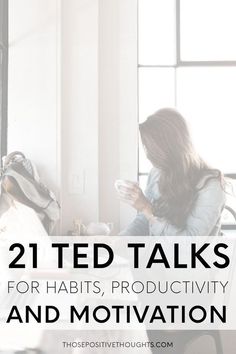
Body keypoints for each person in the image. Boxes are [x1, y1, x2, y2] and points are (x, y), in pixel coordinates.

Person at [119, 108, 225, 236]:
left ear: (168, 147)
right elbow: (144, 221)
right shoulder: (157, 173)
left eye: (151, 149)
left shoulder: (211, 186)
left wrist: (146, 207)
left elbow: (189, 246)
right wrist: (118, 241)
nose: (148, 156)